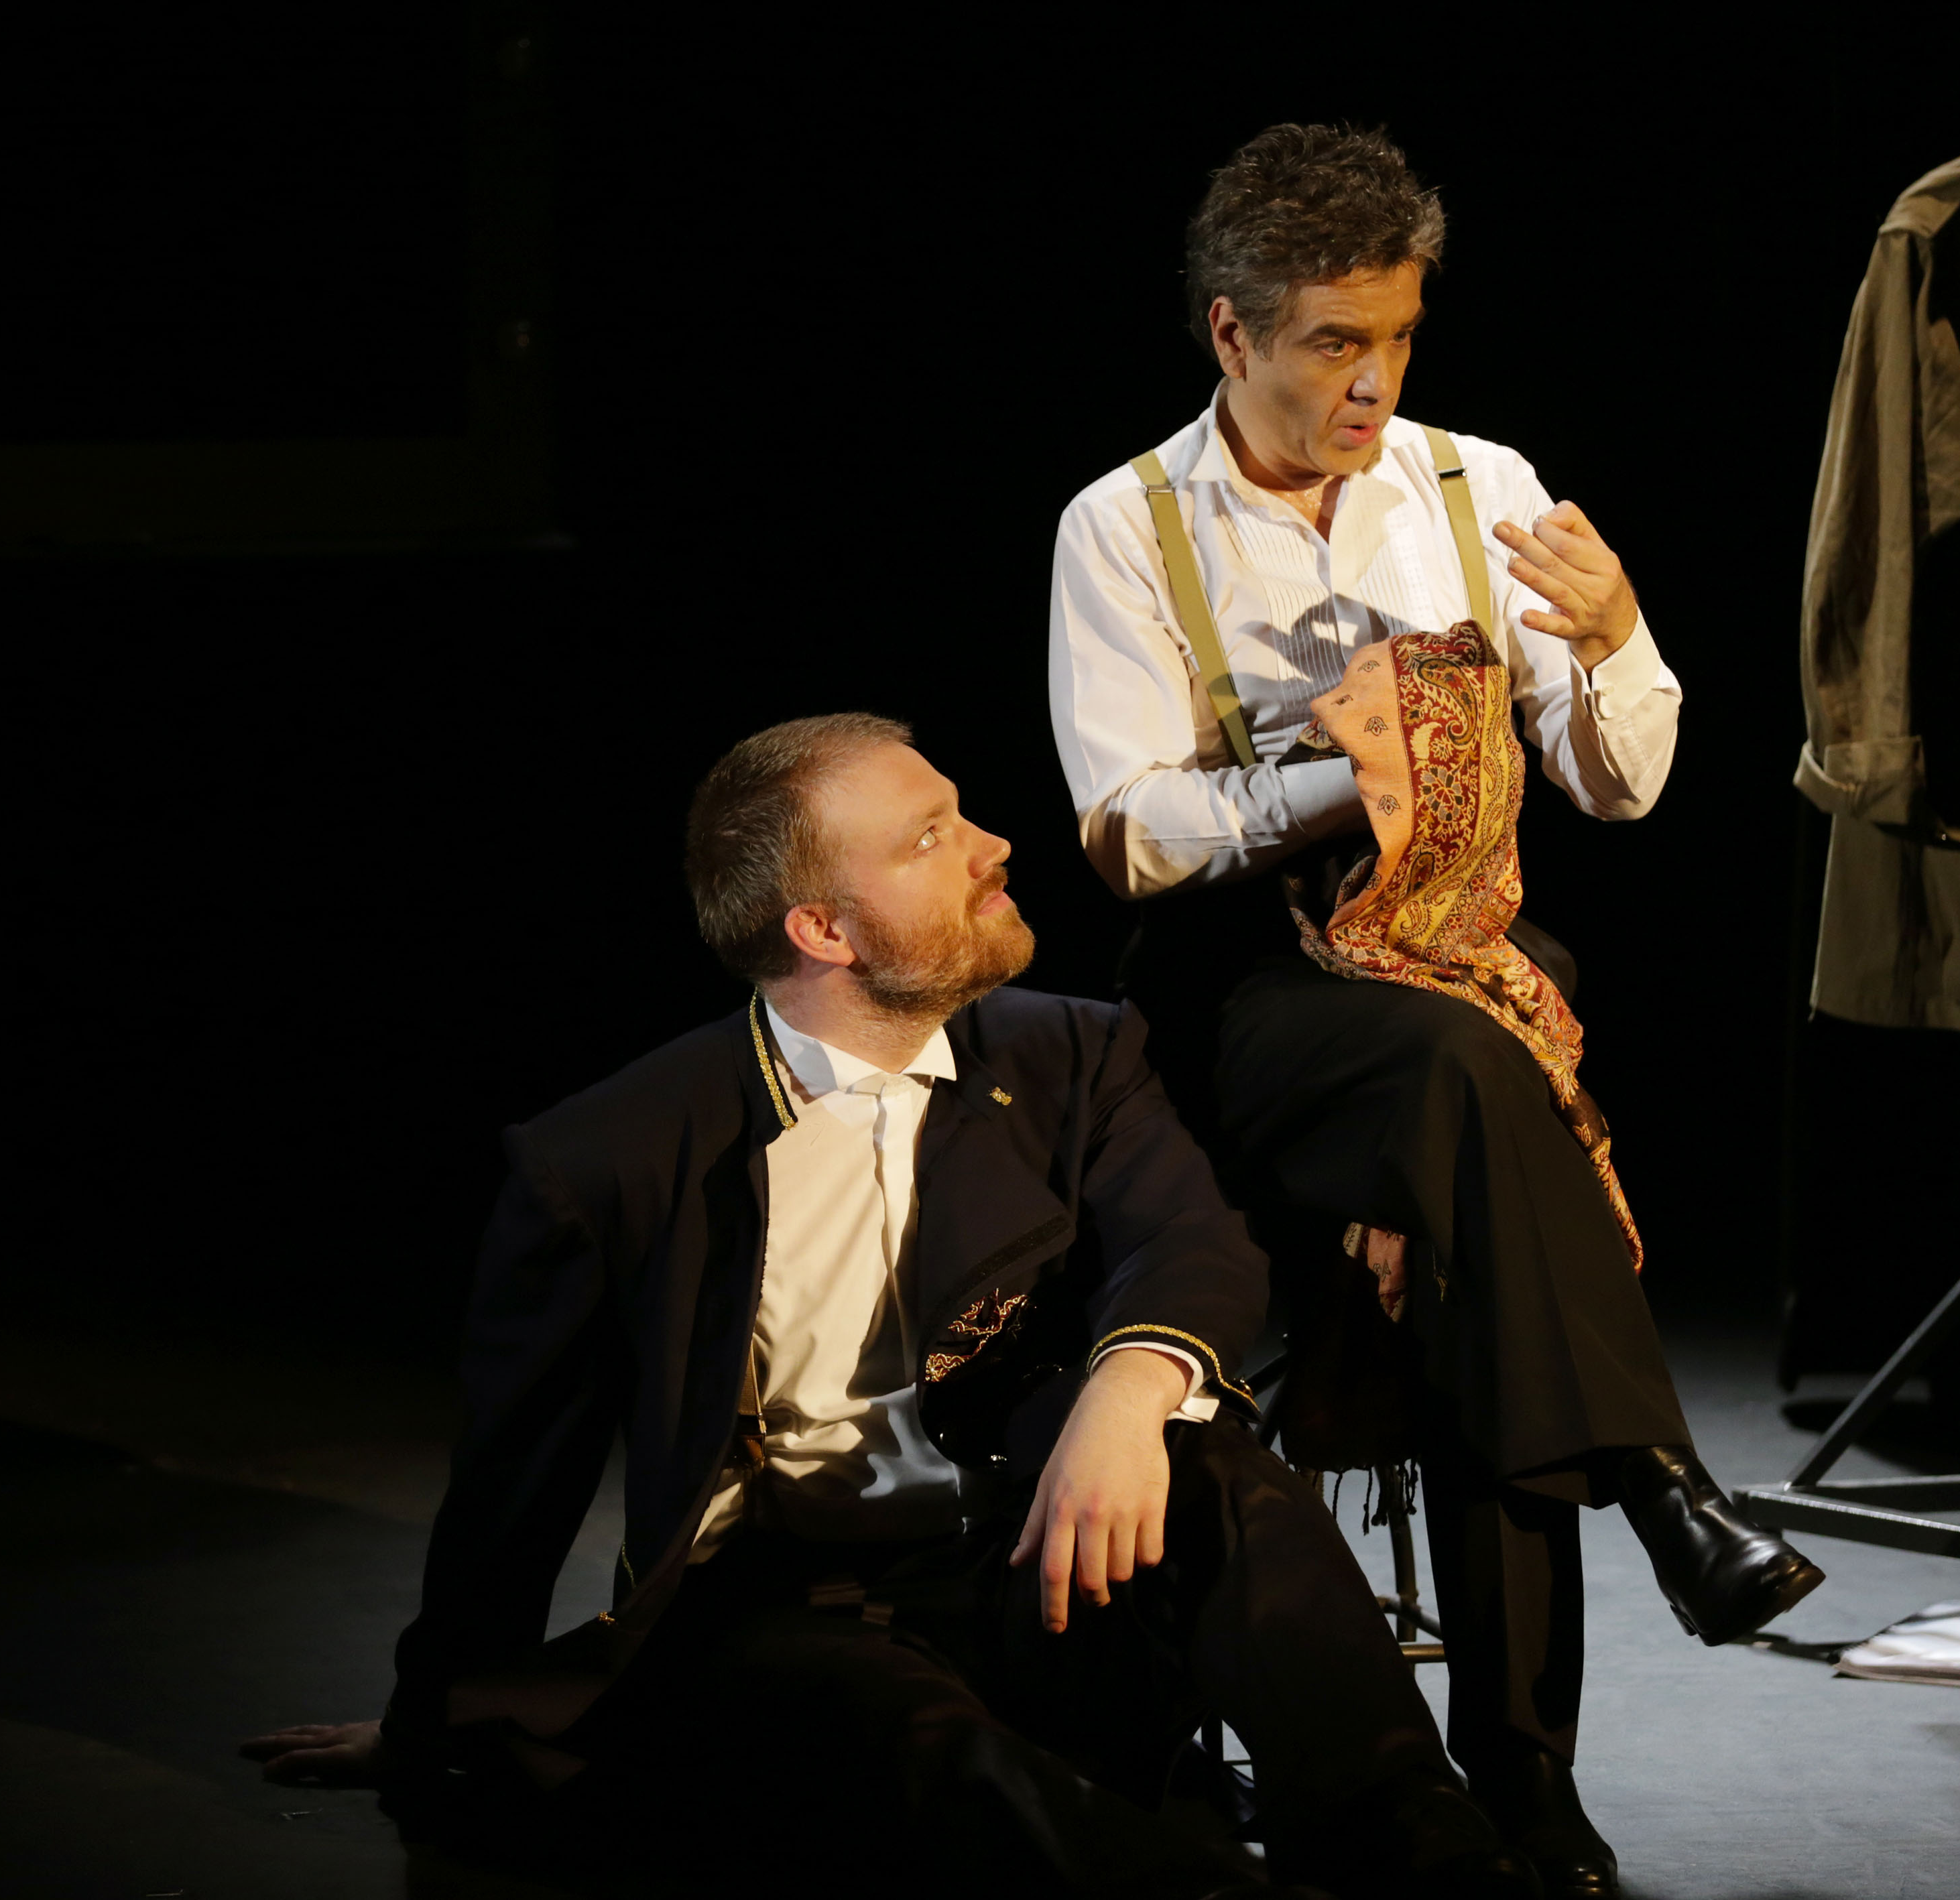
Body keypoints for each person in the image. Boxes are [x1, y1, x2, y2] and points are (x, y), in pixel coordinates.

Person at [243, 714, 1546, 1898]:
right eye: (929, 837)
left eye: (960, 812)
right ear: (825, 931)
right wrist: (427, 1723)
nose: (991, 845)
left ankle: (1434, 1857)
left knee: (1211, 1466)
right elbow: (512, 1485)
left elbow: (1187, 1238)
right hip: (787, 1608)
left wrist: (1126, 1393)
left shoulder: (1071, 1050)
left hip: (1038, 1549)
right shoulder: (609, 1158)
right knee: (923, 1757)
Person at [1046, 125, 1823, 1899]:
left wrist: (1616, 639)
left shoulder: (1477, 485)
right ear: (1230, 331)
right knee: (1486, 1091)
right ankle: (1656, 1501)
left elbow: (1618, 785)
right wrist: (1341, 773)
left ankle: (1522, 1778)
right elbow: (1126, 835)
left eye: (1395, 335)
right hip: (1248, 989)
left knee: (1486, 1219)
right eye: (1332, 341)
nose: (1371, 382)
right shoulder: (1125, 524)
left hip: (1461, 967)